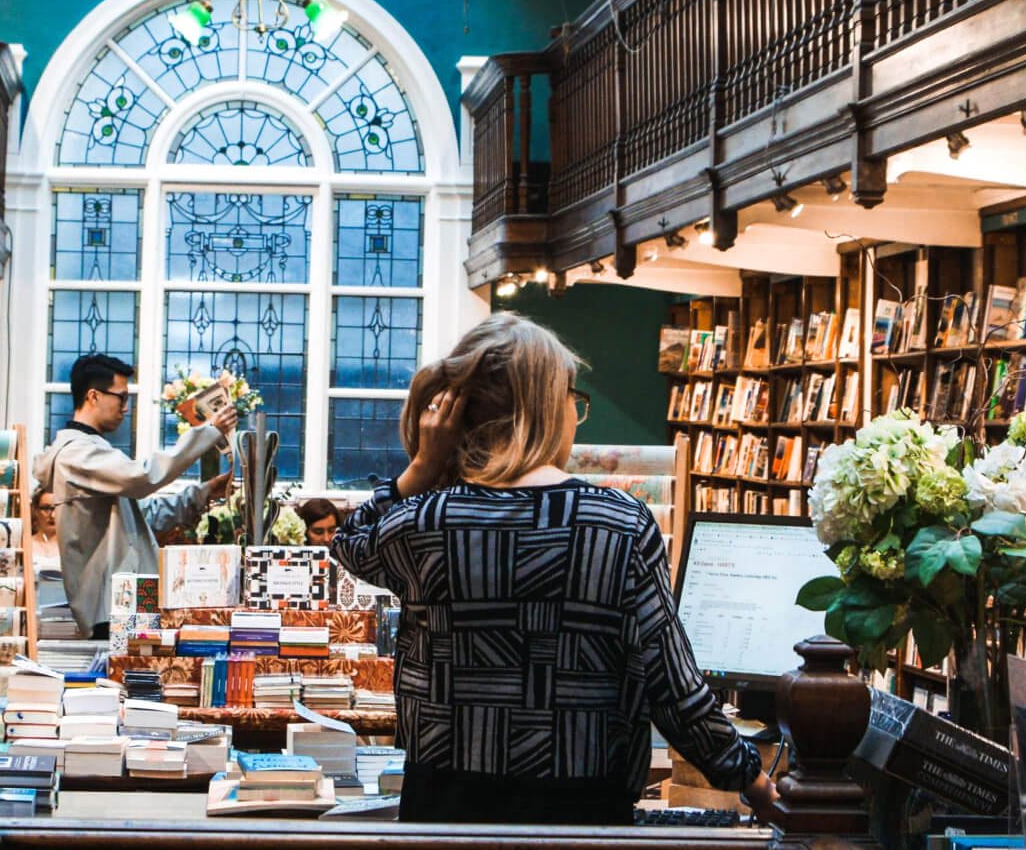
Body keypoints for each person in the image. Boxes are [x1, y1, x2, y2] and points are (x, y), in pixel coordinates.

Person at [331, 313, 779, 826]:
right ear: (547, 406)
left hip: (443, 808)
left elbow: (351, 542)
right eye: (573, 399)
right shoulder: (619, 525)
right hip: (581, 809)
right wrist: (750, 778)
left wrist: (423, 467)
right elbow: (672, 686)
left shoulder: (426, 522)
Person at [33, 353, 238, 638]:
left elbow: (143, 515)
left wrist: (203, 493)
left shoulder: (93, 449)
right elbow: (143, 477)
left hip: (126, 599)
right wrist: (208, 432)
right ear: (93, 396)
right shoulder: (76, 453)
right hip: (110, 604)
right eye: (122, 398)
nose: (126, 409)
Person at [30, 484, 62, 574]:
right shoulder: (25, 545)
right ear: (35, 511)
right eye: (47, 509)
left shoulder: (72, 547)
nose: (52, 515)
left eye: (57, 508)